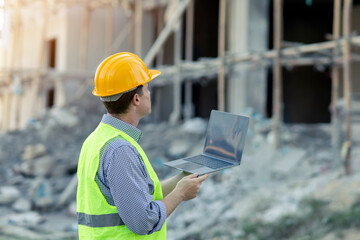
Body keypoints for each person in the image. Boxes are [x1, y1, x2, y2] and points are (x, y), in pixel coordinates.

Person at [76, 52, 208, 239]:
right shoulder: (120, 150)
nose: (150, 93)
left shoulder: (98, 140)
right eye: (147, 88)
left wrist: (183, 177)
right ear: (136, 99)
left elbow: (138, 194)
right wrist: (179, 194)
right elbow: (143, 220)